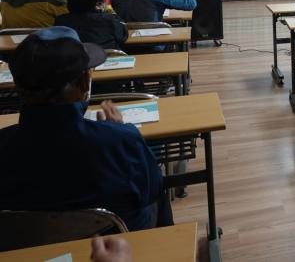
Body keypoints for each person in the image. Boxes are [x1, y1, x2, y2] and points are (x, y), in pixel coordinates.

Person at [0, 27, 170, 231]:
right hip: (115, 242)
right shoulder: (121, 141)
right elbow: (151, 189)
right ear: (83, 82)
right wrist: (118, 132)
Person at [55, 0, 128, 50]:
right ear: (98, 2)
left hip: (75, 57)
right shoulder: (108, 19)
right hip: (106, 57)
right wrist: (113, 14)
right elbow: (122, 37)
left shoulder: (60, 22)